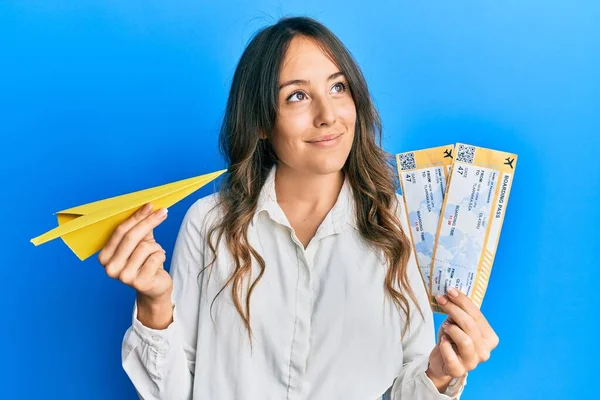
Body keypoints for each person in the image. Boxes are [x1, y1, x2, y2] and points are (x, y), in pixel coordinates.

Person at [98, 16, 499, 400]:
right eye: (297, 96)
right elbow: (170, 395)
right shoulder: (209, 224)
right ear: (259, 122)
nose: (328, 116)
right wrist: (154, 302)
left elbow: (405, 391)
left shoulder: (397, 224)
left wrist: (442, 372)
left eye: (338, 88)